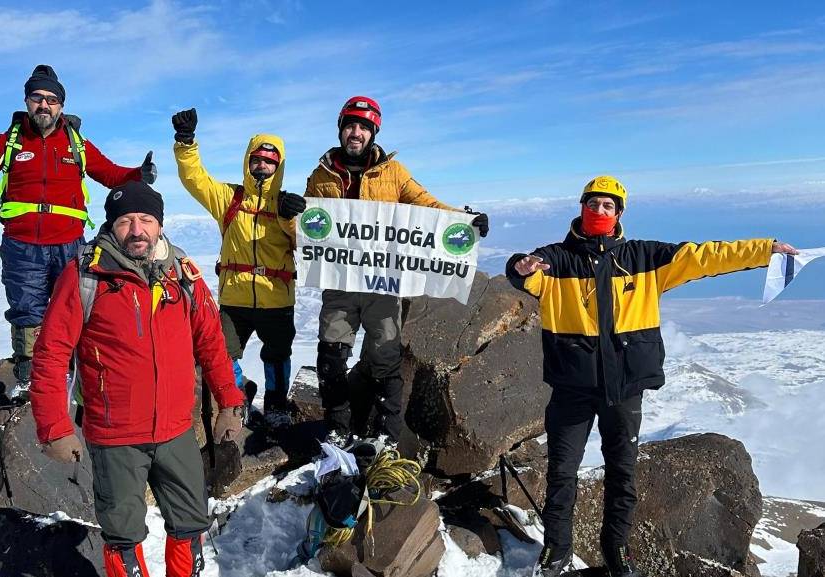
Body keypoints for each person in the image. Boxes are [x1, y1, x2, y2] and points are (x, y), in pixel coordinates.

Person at [505, 175, 799, 577]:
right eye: (593, 204)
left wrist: (765, 250)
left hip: (624, 388)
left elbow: (706, 256)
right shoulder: (556, 259)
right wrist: (519, 266)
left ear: (619, 213)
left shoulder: (644, 258)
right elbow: (525, 273)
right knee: (562, 472)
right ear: (581, 208)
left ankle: (617, 550)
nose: (599, 211)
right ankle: (557, 549)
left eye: (608, 206)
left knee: (622, 474)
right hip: (573, 388)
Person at [29, 181, 244, 577]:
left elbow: (211, 342)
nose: (137, 230)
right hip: (116, 436)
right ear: (112, 226)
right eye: (126, 221)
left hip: (176, 430)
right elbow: (51, 354)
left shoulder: (182, 272)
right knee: (123, 537)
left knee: (190, 525)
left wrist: (229, 402)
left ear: (159, 225)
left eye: (146, 219)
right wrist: (55, 427)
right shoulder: (85, 275)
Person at [0, 64, 156, 394]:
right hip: (22, 245)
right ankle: (29, 378)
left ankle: (77, 369)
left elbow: (109, 173)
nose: (44, 105)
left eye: (51, 100)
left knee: (74, 305)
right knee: (27, 308)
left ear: (61, 106)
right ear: (27, 101)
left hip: (70, 244)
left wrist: (138, 174)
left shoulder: (76, 144)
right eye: (37, 98)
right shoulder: (10, 141)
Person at [304, 96, 489, 444]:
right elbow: (307, 226)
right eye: (350, 125)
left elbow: (426, 204)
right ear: (340, 129)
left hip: (381, 281)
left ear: (373, 132)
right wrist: (292, 212)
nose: (355, 133)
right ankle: (337, 429)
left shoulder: (393, 172)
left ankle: (386, 434)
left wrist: (465, 221)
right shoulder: (321, 175)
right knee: (331, 356)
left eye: (363, 127)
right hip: (339, 281)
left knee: (385, 356)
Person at [171, 108, 305, 428]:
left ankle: (276, 406)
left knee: (277, 356)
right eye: (257, 159)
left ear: (279, 166)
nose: (262, 166)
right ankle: (238, 395)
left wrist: (293, 218)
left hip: (277, 299)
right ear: (248, 161)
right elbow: (194, 178)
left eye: (270, 161)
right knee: (221, 352)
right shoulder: (229, 198)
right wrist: (186, 143)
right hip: (235, 298)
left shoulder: (287, 205)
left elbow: (306, 244)